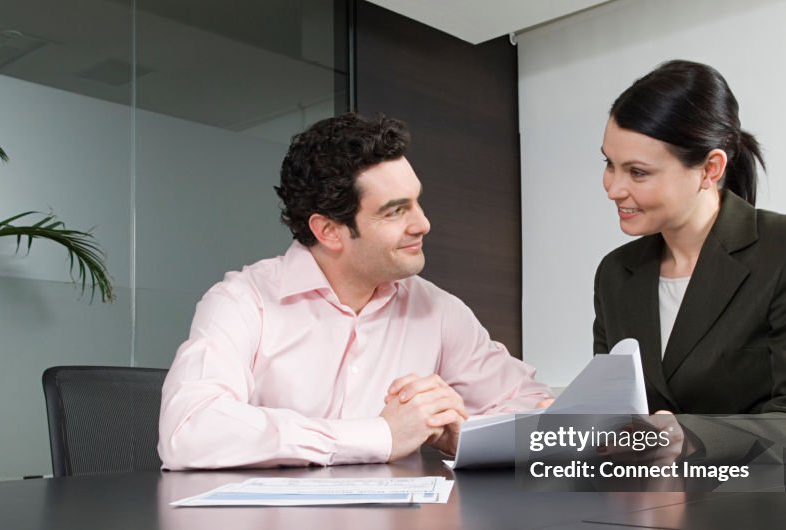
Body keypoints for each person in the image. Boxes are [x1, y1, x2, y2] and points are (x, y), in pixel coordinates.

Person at [159, 112, 550, 470]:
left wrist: (470, 433)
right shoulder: (243, 301)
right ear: (328, 231)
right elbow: (189, 430)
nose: (423, 223)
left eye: (417, 202)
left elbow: (538, 410)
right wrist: (381, 435)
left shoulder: (438, 310)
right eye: (396, 211)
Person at [593, 60, 786, 463]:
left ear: (709, 169)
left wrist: (692, 437)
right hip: (648, 507)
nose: (613, 187)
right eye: (609, 164)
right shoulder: (615, 274)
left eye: (638, 172)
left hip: (763, 511)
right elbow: (612, 409)